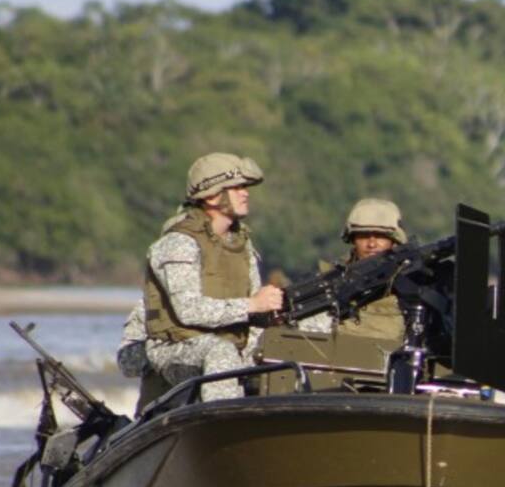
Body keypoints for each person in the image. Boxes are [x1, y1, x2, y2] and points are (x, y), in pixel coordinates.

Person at [143, 152, 283, 402]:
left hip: (228, 345)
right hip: (176, 350)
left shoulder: (241, 244)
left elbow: (253, 316)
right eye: (237, 187)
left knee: (289, 345)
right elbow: (190, 310)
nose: (245, 193)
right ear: (211, 196)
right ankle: (223, 429)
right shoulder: (179, 243)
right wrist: (253, 305)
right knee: (221, 352)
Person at [301, 198, 408, 345]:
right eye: (363, 235)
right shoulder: (330, 280)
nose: (371, 244)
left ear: (394, 240)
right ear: (352, 239)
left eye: (380, 235)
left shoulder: (410, 280)